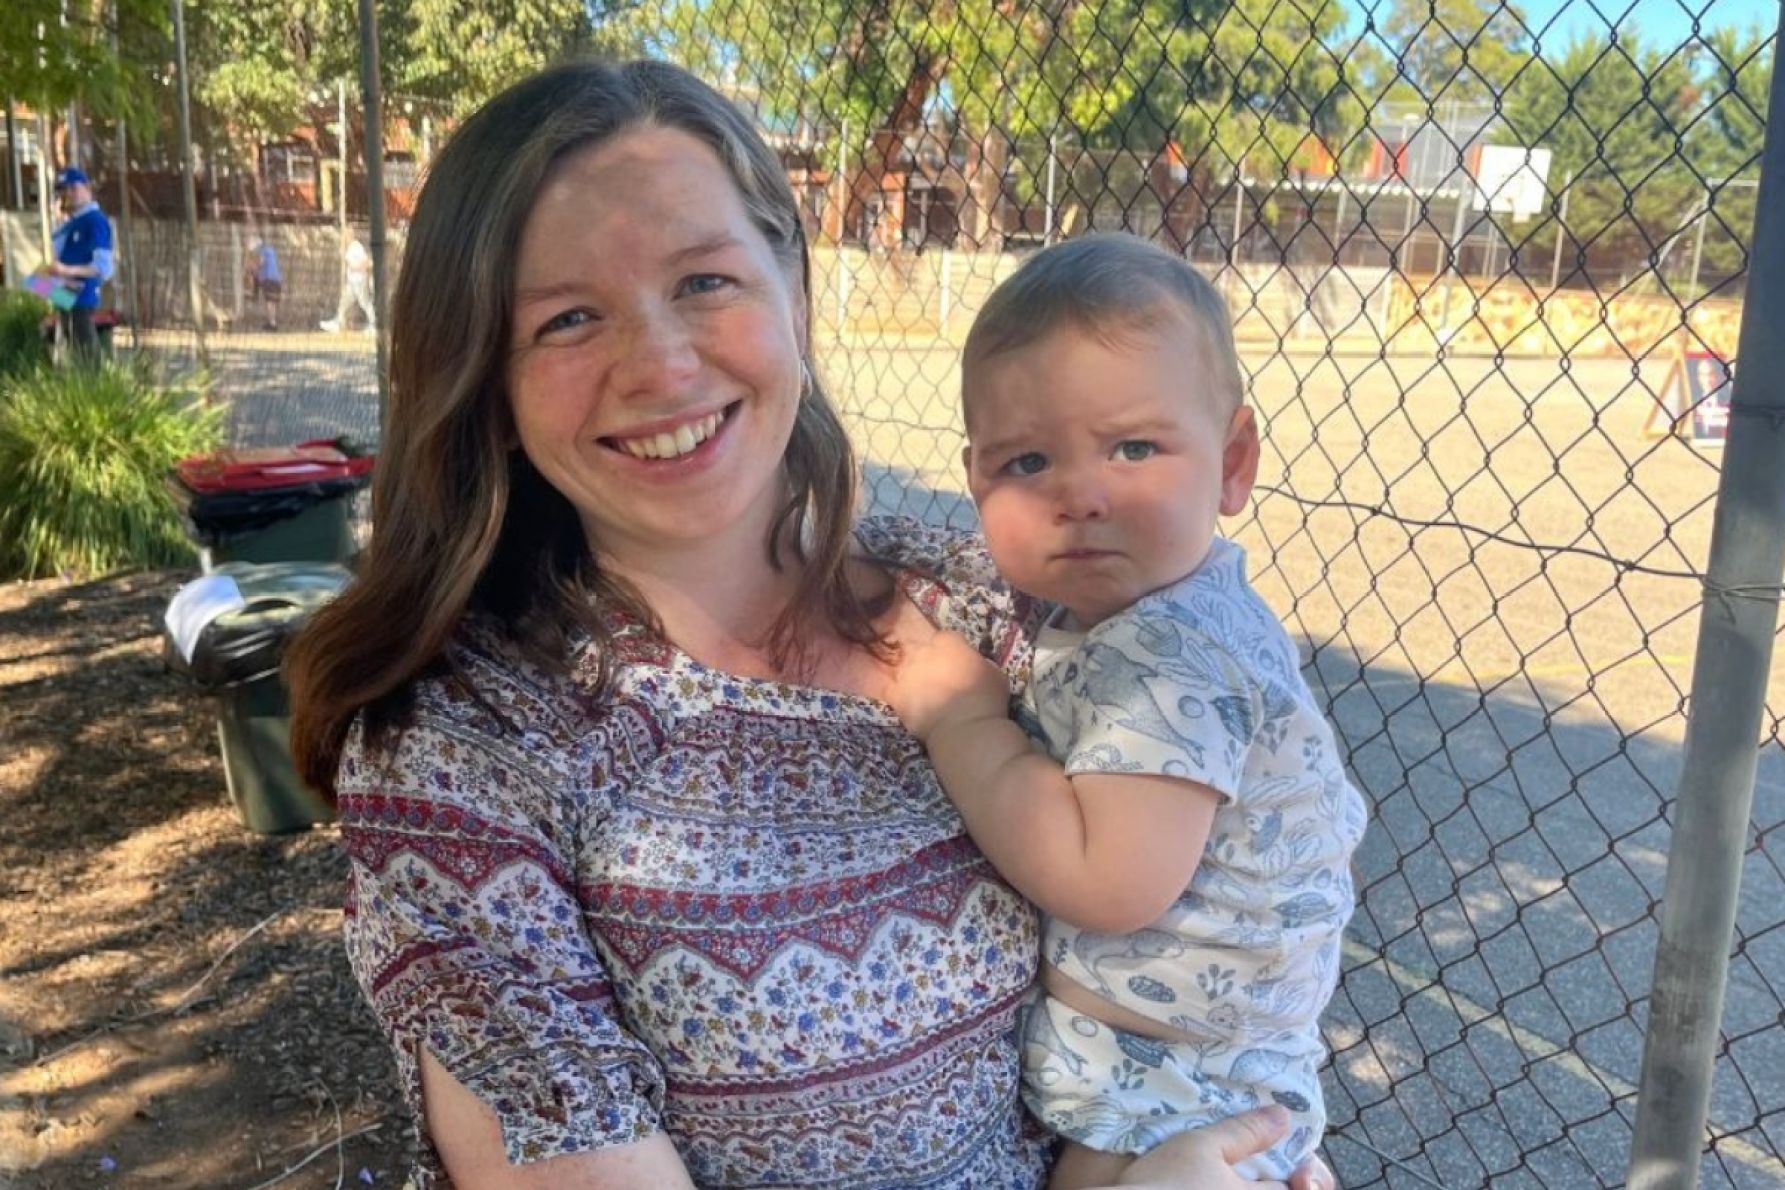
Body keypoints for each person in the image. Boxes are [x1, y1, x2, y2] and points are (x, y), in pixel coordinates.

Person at [284, 60, 1334, 1189]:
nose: (662, 364)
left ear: (792, 288)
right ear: (486, 377)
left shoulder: (993, 605)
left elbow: (1239, 929)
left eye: (703, 281)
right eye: (569, 318)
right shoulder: (466, 758)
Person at [885, 235, 1367, 1186]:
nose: (1080, 495)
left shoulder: (1171, 654)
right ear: (976, 478)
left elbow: (1108, 880)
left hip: (1176, 1098)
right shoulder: (1137, 614)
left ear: (1232, 465)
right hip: (1183, 1067)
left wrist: (956, 719)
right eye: (1026, 462)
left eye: (1134, 448)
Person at [47, 166, 115, 363]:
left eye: (73, 188)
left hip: (82, 295)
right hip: (65, 292)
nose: (69, 194)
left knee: (85, 354)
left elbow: (103, 268)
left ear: (87, 188)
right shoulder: (71, 222)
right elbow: (56, 258)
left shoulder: (95, 221)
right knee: (65, 351)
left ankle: (94, 390)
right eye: (64, 190)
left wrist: (67, 271)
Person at [319, 235, 374, 333]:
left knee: (364, 302)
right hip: (352, 282)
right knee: (344, 302)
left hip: (358, 281)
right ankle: (338, 323)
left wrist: (356, 267)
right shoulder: (351, 247)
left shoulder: (355, 247)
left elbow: (366, 263)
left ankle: (374, 324)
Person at [247, 236, 284, 330]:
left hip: (269, 279)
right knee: (272, 302)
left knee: (269, 302)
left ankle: (272, 323)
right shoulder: (270, 250)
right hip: (276, 279)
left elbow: (261, 263)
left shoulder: (263, 251)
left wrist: (252, 268)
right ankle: (272, 322)